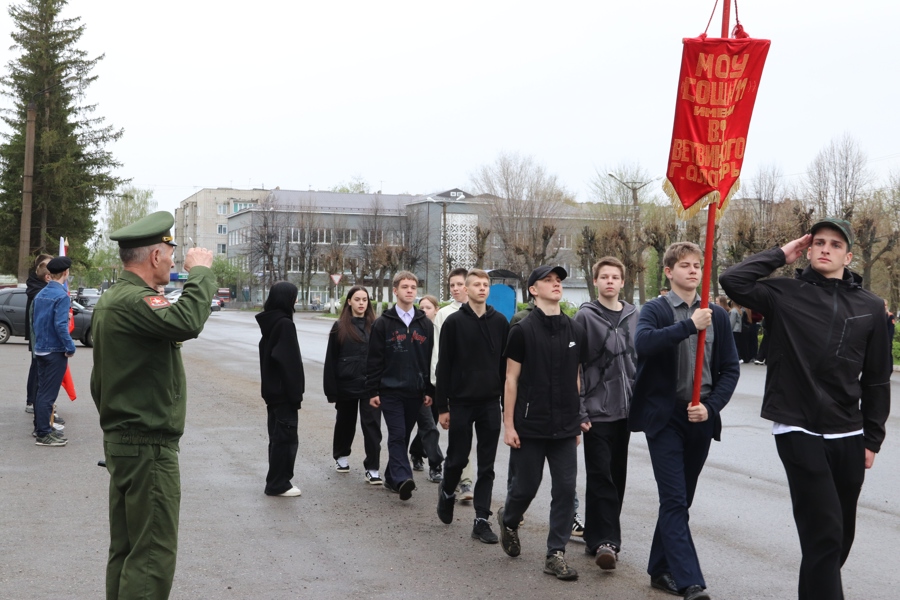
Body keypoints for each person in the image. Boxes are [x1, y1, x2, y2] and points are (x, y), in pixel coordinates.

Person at [720, 218, 891, 600]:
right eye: (819, 242)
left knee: (836, 538)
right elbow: (733, 280)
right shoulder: (784, 293)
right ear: (809, 250)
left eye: (835, 244)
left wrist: (873, 438)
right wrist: (783, 253)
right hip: (798, 427)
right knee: (825, 532)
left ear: (848, 255)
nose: (825, 248)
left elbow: (877, 379)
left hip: (848, 430)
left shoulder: (869, 308)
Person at [91, 211, 216, 599]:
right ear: (155, 256)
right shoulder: (135, 300)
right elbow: (187, 321)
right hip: (147, 446)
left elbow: (101, 382)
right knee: (151, 556)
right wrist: (202, 274)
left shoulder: (116, 298)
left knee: (127, 550)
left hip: (127, 441)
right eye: (171, 252)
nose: (176, 261)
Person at [630, 241, 739, 600]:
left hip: (701, 416)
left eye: (698, 266)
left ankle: (660, 569)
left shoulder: (718, 315)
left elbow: (729, 369)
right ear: (669, 272)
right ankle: (690, 580)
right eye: (685, 265)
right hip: (665, 418)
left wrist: (712, 407)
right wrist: (689, 326)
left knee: (681, 500)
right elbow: (643, 343)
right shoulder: (656, 310)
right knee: (674, 499)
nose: (693, 271)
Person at [497, 265, 589, 582]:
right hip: (530, 424)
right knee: (525, 488)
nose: (555, 285)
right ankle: (509, 519)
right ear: (533, 290)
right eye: (548, 281)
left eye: (558, 281)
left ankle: (555, 554)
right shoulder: (521, 331)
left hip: (564, 426)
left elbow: (577, 377)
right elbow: (511, 380)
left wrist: (577, 419)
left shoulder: (575, 330)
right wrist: (508, 425)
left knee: (565, 490)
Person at [435, 269, 509, 544]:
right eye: (476, 284)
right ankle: (447, 490)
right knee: (457, 458)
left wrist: (505, 405)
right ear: (466, 290)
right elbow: (444, 367)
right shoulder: (454, 323)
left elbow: (505, 368)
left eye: (485, 284)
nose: (482, 288)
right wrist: (443, 407)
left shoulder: (500, 322)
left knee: (487, 466)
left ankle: (481, 520)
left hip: (489, 403)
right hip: (461, 403)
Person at [573, 256, 638, 571]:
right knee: (600, 476)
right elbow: (575, 367)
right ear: (596, 281)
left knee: (617, 475)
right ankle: (607, 542)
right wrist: (579, 408)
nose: (610, 281)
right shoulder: (585, 317)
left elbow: (641, 361)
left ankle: (594, 537)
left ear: (622, 282)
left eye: (615, 277)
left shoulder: (634, 316)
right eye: (604, 277)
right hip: (596, 411)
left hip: (626, 412)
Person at [366, 271, 434, 501]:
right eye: (405, 287)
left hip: (415, 390)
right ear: (395, 290)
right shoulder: (383, 323)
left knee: (403, 436)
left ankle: (390, 476)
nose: (409, 291)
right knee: (396, 434)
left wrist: (428, 390)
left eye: (413, 287)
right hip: (390, 390)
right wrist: (373, 390)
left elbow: (428, 359)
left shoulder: (425, 323)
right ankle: (404, 478)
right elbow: (374, 359)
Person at [324, 286, 382, 485]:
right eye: (357, 299)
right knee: (345, 423)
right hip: (346, 384)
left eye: (364, 300)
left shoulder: (376, 325)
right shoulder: (339, 326)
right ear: (349, 301)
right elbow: (331, 360)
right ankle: (341, 456)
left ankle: (373, 468)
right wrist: (331, 391)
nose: (361, 303)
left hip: (370, 386)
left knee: (372, 427)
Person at [256, 281, 305, 497]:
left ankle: (277, 480)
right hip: (284, 394)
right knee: (285, 439)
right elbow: (290, 363)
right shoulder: (284, 325)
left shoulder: (270, 324)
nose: (296, 300)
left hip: (273, 393)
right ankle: (279, 483)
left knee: (277, 438)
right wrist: (296, 394)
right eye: (294, 296)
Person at [32, 256, 76, 446]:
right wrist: (70, 346)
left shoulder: (41, 294)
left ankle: (41, 428)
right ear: (65, 273)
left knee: (42, 392)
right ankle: (43, 433)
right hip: (54, 351)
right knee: (48, 395)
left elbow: (36, 323)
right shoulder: (61, 296)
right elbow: (60, 325)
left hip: (41, 348)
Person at [24, 254, 52, 414]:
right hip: (39, 335)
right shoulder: (38, 288)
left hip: (39, 334)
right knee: (38, 368)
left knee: (38, 367)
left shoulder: (37, 284)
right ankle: (34, 401)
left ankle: (34, 400)